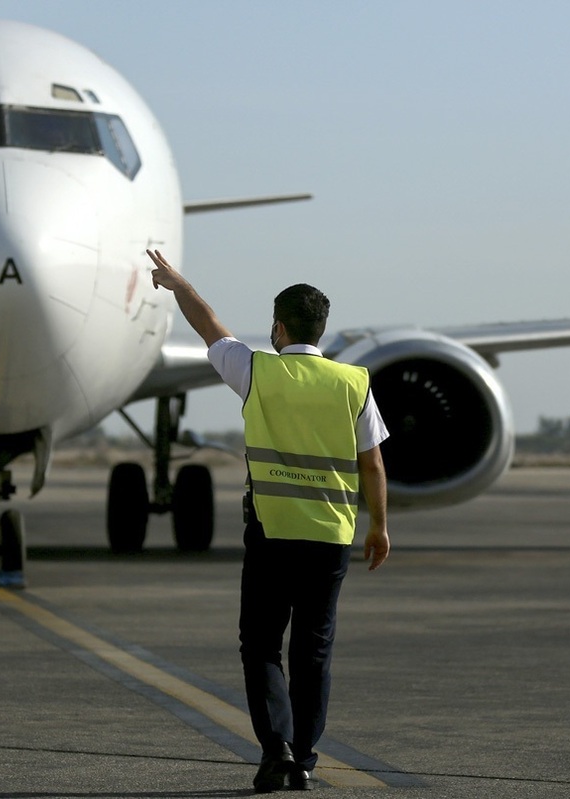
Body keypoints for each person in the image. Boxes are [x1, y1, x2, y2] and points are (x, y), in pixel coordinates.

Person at [146, 249, 390, 792]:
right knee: (313, 650)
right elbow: (372, 460)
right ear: (323, 330)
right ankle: (304, 757)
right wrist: (379, 528)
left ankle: (275, 748)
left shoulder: (256, 370)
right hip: (330, 538)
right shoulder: (353, 383)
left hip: (271, 533)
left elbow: (208, 325)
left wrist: (177, 282)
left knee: (260, 645)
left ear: (278, 326)